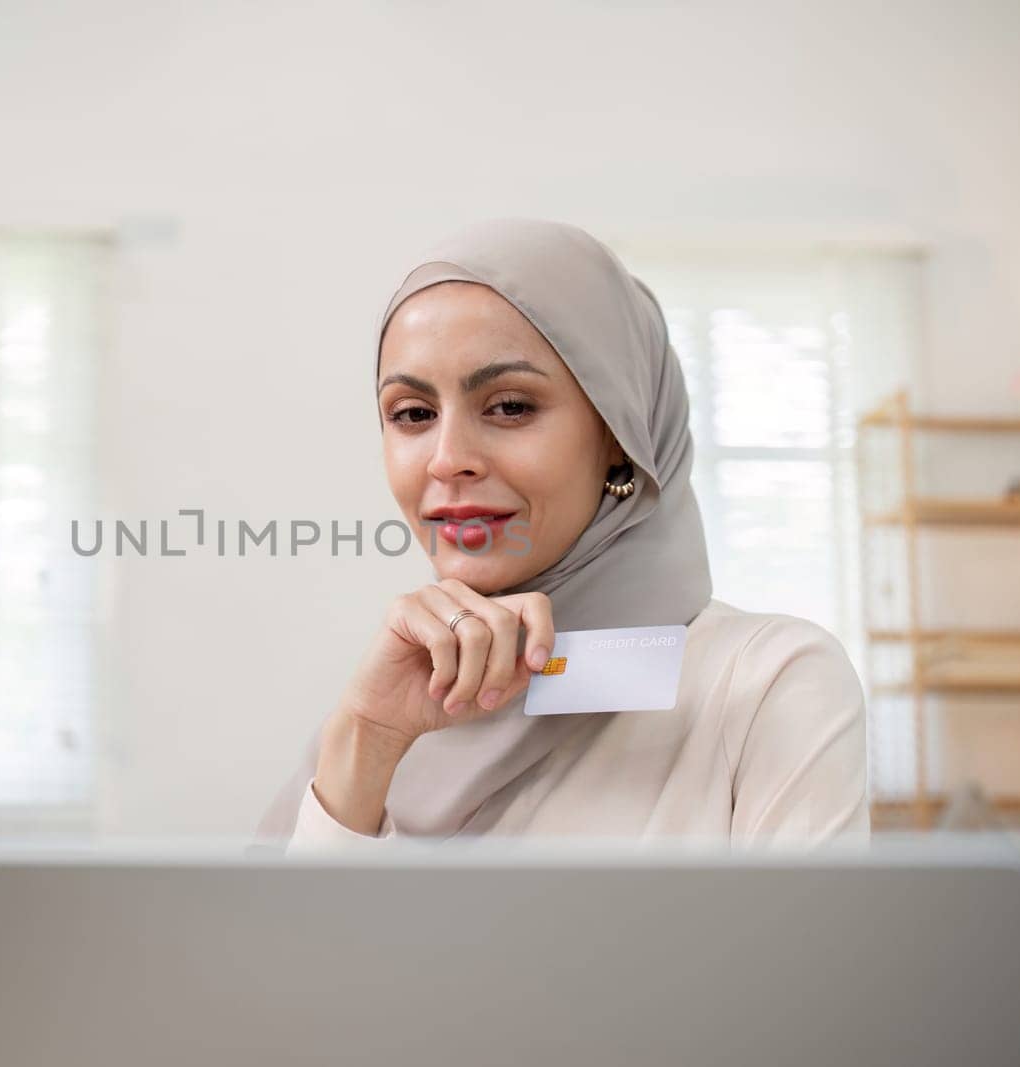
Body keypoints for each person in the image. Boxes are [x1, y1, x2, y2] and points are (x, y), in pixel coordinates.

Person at [254, 218, 869, 850]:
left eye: (511, 406)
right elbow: (272, 949)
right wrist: (367, 740)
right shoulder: (385, 708)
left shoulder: (767, 687)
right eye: (413, 414)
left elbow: (806, 952)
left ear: (618, 435)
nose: (447, 459)